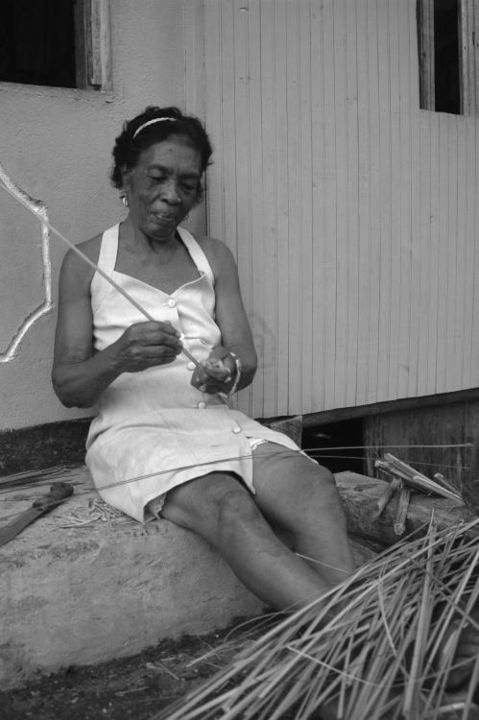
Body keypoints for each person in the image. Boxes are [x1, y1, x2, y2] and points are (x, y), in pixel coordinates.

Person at [52, 105, 355, 612]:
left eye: (188, 185)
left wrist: (225, 370)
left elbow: (245, 360)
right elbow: (67, 387)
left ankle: (353, 626)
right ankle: (367, 638)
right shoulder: (84, 262)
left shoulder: (212, 257)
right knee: (229, 507)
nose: (172, 196)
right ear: (125, 176)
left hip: (217, 424)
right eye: (157, 177)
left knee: (315, 488)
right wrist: (120, 357)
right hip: (135, 433)